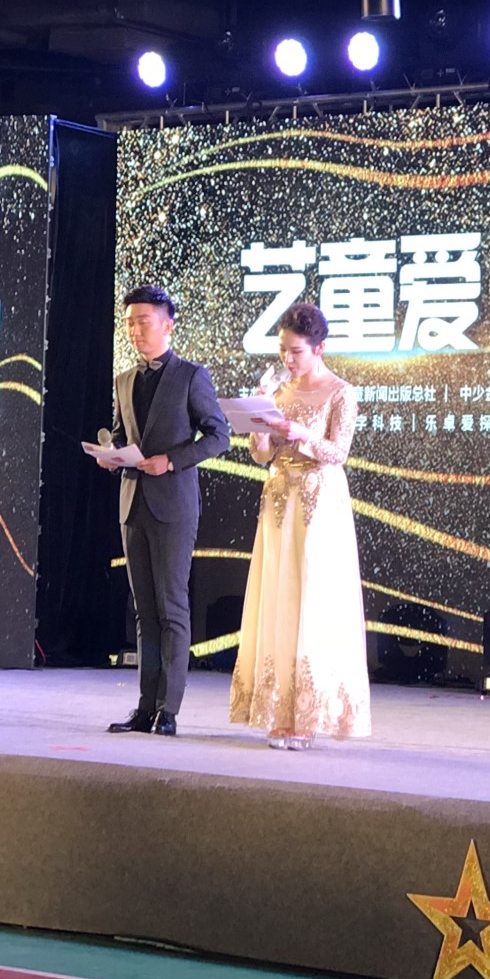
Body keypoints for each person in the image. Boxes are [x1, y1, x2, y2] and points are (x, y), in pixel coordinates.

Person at [230, 303, 371, 750]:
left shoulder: (340, 392)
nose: (287, 359)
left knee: (312, 598)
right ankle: (278, 709)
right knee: (280, 595)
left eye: (296, 352)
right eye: (283, 351)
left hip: (319, 501)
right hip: (278, 499)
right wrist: (258, 421)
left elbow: (339, 452)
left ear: (319, 348)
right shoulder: (278, 390)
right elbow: (261, 455)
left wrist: (302, 434)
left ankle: (307, 715)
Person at [103, 285, 230, 736]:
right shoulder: (124, 380)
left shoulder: (192, 376)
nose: (135, 330)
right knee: (144, 611)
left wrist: (172, 460)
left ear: (168, 325)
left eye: (144, 321)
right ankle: (145, 706)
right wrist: (111, 454)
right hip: (132, 501)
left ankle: (168, 710)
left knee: (171, 606)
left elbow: (218, 436)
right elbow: (121, 435)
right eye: (129, 322)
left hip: (174, 503)